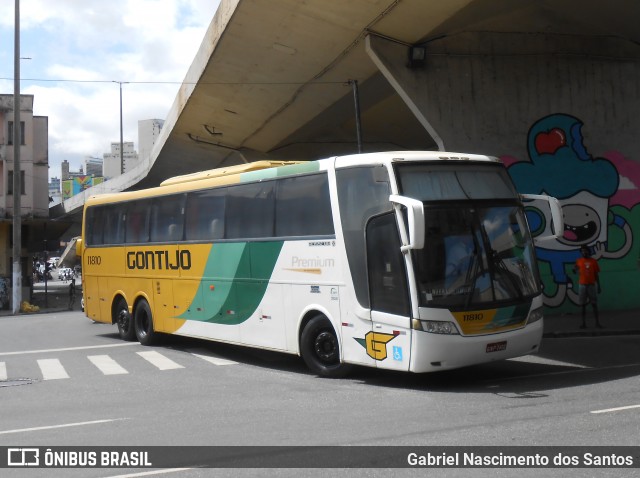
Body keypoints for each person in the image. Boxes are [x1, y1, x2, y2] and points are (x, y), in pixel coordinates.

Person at [573, 245, 602, 329]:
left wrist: (599, 286)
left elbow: (596, 274)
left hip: (591, 285)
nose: (584, 252)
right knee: (583, 305)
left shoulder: (593, 261)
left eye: (585, 251)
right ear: (581, 252)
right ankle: (583, 323)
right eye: (582, 251)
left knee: (594, 304)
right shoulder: (578, 261)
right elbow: (575, 270)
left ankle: (597, 323)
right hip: (582, 285)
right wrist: (574, 269)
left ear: (588, 251)